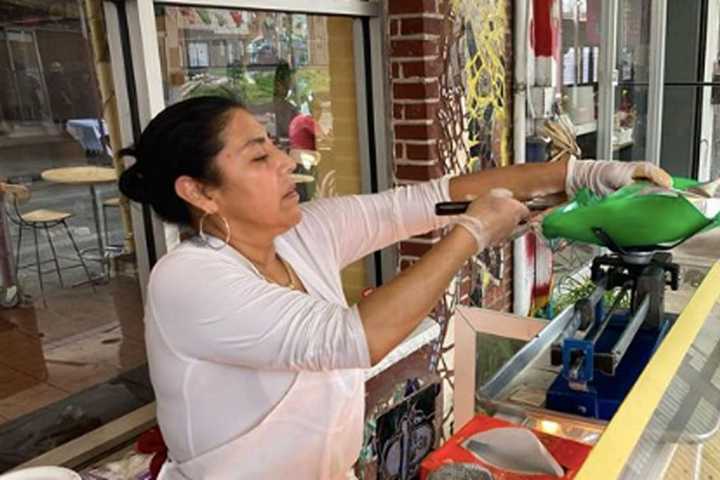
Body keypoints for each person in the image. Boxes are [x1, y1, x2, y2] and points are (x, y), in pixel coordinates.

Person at [118, 96, 671, 480]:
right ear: (199, 192)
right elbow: (354, 338)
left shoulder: (302, 235)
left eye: (274, 146)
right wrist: (471, 234)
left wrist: (578, 175)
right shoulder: (188, 281)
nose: (286, 162)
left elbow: (428, 197)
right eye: (260, 157)